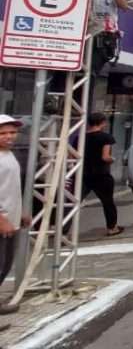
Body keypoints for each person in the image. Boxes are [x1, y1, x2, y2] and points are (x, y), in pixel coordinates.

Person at [0, 115, 30, 314]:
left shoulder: (9, 155)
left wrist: (20, 213)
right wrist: (1, 219)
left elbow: (10, 188)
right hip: (2, 222)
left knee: (4, 266)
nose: (9, 136)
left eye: (12, 132)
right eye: (2, 133)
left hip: (11, 220)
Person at [83, 113, 122, 236]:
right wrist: (113, 159)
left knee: (73, 200)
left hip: (84, 174)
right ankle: (112, 228)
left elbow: (73, 156)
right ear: (102, 122)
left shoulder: (81, 137)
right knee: (108, 202)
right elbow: (105, 157)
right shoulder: (106, 137)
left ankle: (61, 229)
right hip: (101, 174)